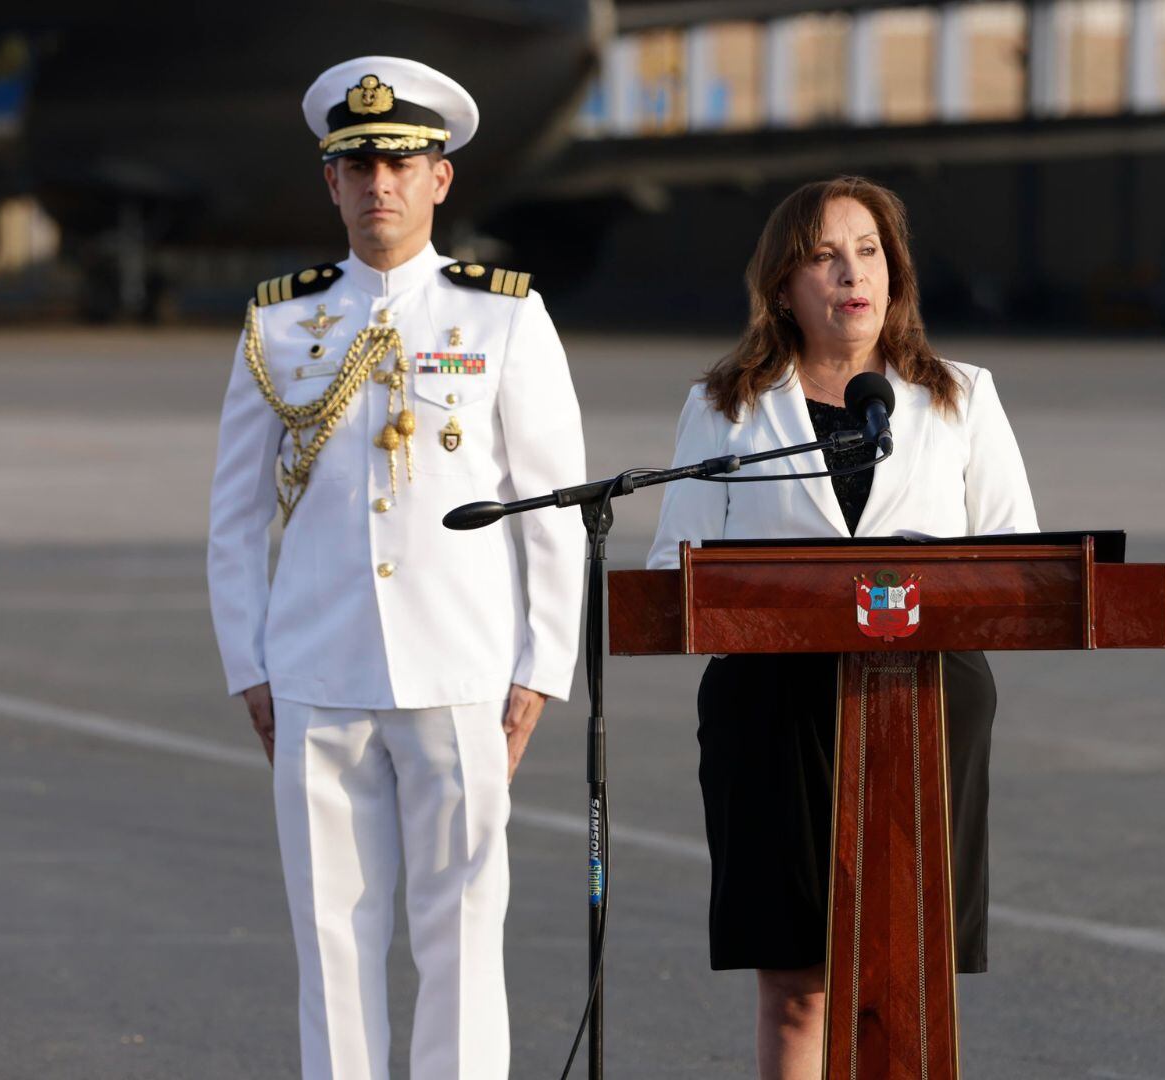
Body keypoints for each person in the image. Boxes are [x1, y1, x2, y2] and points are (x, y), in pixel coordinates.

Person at [207, 55, 585, 1080]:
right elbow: (235, 515)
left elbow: (554, 507)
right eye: (359, 164)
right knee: (332, 940)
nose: (381, 183)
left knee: (461, 933)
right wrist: (250, 659)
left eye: (402, 163)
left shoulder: (501, 315)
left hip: (460, 670)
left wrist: (542, 666)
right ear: (330, 180)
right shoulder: (281, 322)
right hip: (316, 671)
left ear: (442, 179)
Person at [646, 176, 1038, 1080]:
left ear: (895, 274)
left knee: (911, 982)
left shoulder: (959, 396)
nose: (850, 274)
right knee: (797, 982)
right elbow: (675, 574)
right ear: (783, 284)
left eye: (868, 252)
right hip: (773, 712)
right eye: (824, 256)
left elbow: (1021, 564)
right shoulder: (728, 406)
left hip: (925, 702)